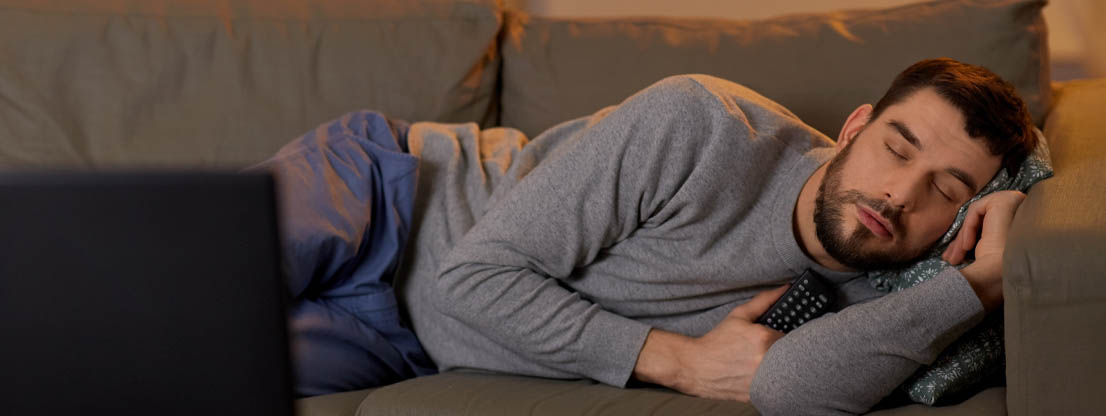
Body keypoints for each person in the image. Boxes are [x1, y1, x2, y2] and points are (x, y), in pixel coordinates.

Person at [259, 58, 1036, 414]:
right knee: (159, 294)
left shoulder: (877, 300)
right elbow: (475, 277)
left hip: (405, 341)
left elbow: (787, 389)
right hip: (394, 194)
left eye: (947, 189)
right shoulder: (701, 123)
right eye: (898, 148)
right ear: (856, 127)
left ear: (962, 220)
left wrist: (983, 281)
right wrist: (681, 364)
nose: (899, 195)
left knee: (165, 373)